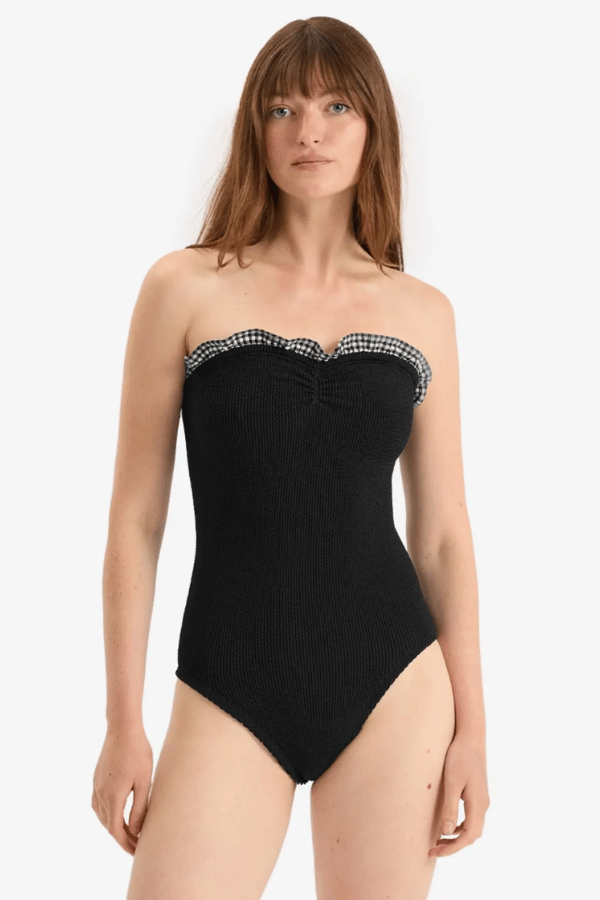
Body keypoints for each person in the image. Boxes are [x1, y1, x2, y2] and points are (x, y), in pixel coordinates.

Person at [91, 15, 489, 900]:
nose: (309, 131)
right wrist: (123, 721)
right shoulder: (183, 289)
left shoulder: (423, 314)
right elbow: (136, 519)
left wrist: (473, 728)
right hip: (230, 675)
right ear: (256, 130)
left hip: (394, 678)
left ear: (373, 126)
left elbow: (442, 535)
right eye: (283, 108)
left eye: (336, 106)